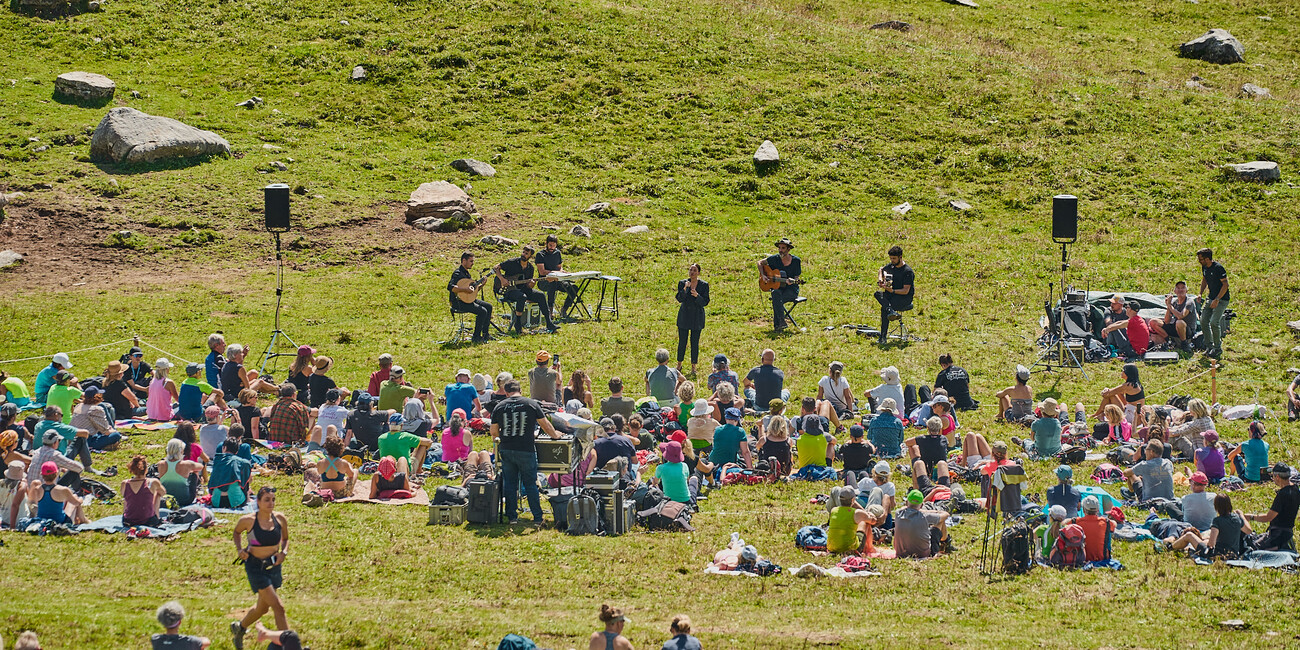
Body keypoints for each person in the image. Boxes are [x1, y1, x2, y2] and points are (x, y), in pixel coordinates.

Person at [491, 379, 561, 525]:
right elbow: (546, 425)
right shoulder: (531, 404)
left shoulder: (499, 406)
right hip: (526, 449)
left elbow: (494, 432)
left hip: (506, 449)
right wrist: (556, 436)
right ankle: (537, 517)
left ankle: (512, 517)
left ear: (506, 392)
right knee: (530, 484)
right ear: (520, 390)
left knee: (510, 484)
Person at [230, 486, 290, 650]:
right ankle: (288, 644)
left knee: (262, 608)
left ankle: (239, 627)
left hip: (274, 566)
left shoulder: (280, 519)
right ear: (258, 502)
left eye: (273, 500)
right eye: (267, 500)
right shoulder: (248, 520)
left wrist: (283, 553)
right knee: (279, 607)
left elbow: (285, 539)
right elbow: (236, 533)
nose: (271, 503)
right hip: (256, 567)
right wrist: (240, 549)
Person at [495, 245, 560, 334]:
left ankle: (549, 322)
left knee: (540, 295)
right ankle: (518, 323)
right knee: (522, 297)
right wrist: (502, 279)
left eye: (526, 253)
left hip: (522, 289)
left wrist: (531, 284)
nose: (524, 254)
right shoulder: (512, 262)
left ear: (530, 256)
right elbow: (496, 268)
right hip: (509, 291)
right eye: (523, 252)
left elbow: (527, 286)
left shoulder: (530, 268)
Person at [1245, 462, 1299, 551]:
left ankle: (1276, 547)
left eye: (1273, 476)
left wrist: (1250, 517)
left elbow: (1268, 517)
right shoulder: (1295, 488)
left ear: (1277, 477)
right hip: (1288, 532)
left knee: (1251, 547)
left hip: (1278, 534)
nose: (1272, 479)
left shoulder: (1282, 495)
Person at [448, 251, 496, 342]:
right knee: (482, 311)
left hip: (467, 300)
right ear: (464, 260)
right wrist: (465, 289)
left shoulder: (467, 274)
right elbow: (451, 287)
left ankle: (485, 334)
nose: (473, 263)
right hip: (458, 302)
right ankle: (476, 336)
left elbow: (472, 292)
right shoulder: (457, 273)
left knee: (488, 306)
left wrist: (482, 285)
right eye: (471, 261)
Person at [759, 237, 802, 332]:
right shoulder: (775, 258)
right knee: (776, 294)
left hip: (791, 290)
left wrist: (792, 281)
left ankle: (778, 325)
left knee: (776, 298)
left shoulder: (796, 261)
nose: (780, 250)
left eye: (783, 248)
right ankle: (781, 323)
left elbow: (796, 278)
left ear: (788, 249)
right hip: (779, 288)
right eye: (779, 248)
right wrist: (763, 275)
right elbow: (760, 263)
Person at [874, 245, 915, 344]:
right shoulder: (892, 266)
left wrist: (892, 290)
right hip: (892, 295)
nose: (892, 260)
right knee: (877, 294)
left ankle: (883, 337)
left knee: (884, 308)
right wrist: (880, 280)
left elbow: (905, 291)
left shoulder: (907, 272)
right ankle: (891, 311)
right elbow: (881, 269)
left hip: (903, 298)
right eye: (891, 258)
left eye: (894, 258)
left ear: (900, 257)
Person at [893, 489, 951, 558]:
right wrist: (932, 511)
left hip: (901, 553)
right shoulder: (925, 516)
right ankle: (946, 543)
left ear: (906, 502)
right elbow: (946, 515)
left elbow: (904, 508)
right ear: (921, 505)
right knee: (940, 521)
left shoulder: (898, 513)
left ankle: (945, 543)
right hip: (922, 554)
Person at [674, 263, 710, 373]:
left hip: (697, 318)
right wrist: (685, 289)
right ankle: (679, 364)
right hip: (684, 316)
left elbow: (705, 302)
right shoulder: (683, 283)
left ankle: (693, 366)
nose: (692, 272)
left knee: (695, 343)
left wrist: (697, 296)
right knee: (682, 342)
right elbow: (679, 299)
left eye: (694, 270)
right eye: (690, 270)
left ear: (698, 272)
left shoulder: (704, 285)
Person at [535, 234, 578, 320]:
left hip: (558, 279)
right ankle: (549, 311)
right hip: (544, 281)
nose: (552, 247)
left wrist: (562, 272)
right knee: (552, 283)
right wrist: (554, 272)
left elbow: (559, 267)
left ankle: (564, 309)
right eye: (550, 245)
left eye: (554, 246)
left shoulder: (557, 253)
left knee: (573, 287)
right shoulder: (540, 255)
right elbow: (542, 271)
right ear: (546, 243)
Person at [1196, 248, 1229, 359]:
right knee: (1203, 320)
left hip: (1222, 299)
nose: (1199, 261)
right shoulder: (1204, 267)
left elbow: (1225, 285)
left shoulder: (1218, 268)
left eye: (1201, 259)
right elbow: (1204, 279)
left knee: (1214, 322)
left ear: (1207, 258)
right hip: (1210, 298)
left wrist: (1217, 299)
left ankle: (1217, 347)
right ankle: (1209, 346)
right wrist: (1200, 293)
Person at [378, 413, 432, 477]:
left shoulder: (381, 438)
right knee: (422, 445)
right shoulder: (405, 436)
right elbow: (429, 442)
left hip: (386, 469)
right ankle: (418, 470)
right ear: (401, 425)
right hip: (405, 469)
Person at [71, 387, 124, 452]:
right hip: (88, 440)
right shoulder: (95, 409)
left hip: (74, 438)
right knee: (116, 435)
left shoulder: (79, 405)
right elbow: (106, 432)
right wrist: (113, 430)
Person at [1149, 281, 1198, 350]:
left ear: (1186, 291)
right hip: (1175, 327)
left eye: (1183, 288)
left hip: (1187, 330)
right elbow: (1166, 321)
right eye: (1178, 288)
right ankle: (1168, 341)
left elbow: (1181, 316)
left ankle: (1184, 343)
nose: (1180, 290)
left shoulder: (1189, 302)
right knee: (1153, 321)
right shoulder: (1174, 302)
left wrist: (1170, 306)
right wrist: (1169, 306)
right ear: (1175, 291)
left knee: (1179, 322)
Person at [825, 486, 873, 554]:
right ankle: (870, 548)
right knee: (864, 522)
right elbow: (873, 521)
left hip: (832, 548)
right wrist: (870, 515)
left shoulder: (833, 510)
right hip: (850, 548)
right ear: (853, 500)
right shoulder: (856, 513)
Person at [1065, 496, 1115, 563]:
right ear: (1097, 510)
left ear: (1083, 510)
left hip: (1081, 559)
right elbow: (1114, 524)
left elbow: (1063, 523)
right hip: (1102, 558)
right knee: (1108, 531)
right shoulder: (1105, 522)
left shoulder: (1076, 522)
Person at [122, 455, 166, 527]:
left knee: (127, 497)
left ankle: (126, 516)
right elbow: (163, 493)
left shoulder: (125, 483)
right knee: (157, 494)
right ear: (146, 469)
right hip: (148, 521)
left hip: (128, 521)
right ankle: (157, 518)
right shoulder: (153, 482)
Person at [158, 439, 203, 508]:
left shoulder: (161, 464)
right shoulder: (186, 464)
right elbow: (200, 467)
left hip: (166, 499)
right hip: (185, 500)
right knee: (195, 472)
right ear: (181, 451)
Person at [210, 437, 252, 509]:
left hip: (216, 502)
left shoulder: (217, 460)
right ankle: (247, 498)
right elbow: (248, 467)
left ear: (224, 448)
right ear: (236, 451)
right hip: (236, 501)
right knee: (245, 476)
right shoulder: (242, 462)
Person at [1206, 494, 1251, 558]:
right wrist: (1242, 516)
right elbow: (1248, 531)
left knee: (1190, 535)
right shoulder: (1237, 519)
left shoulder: (1217, 521)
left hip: (1219, 554)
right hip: (1234, 554)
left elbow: (1211, 544)